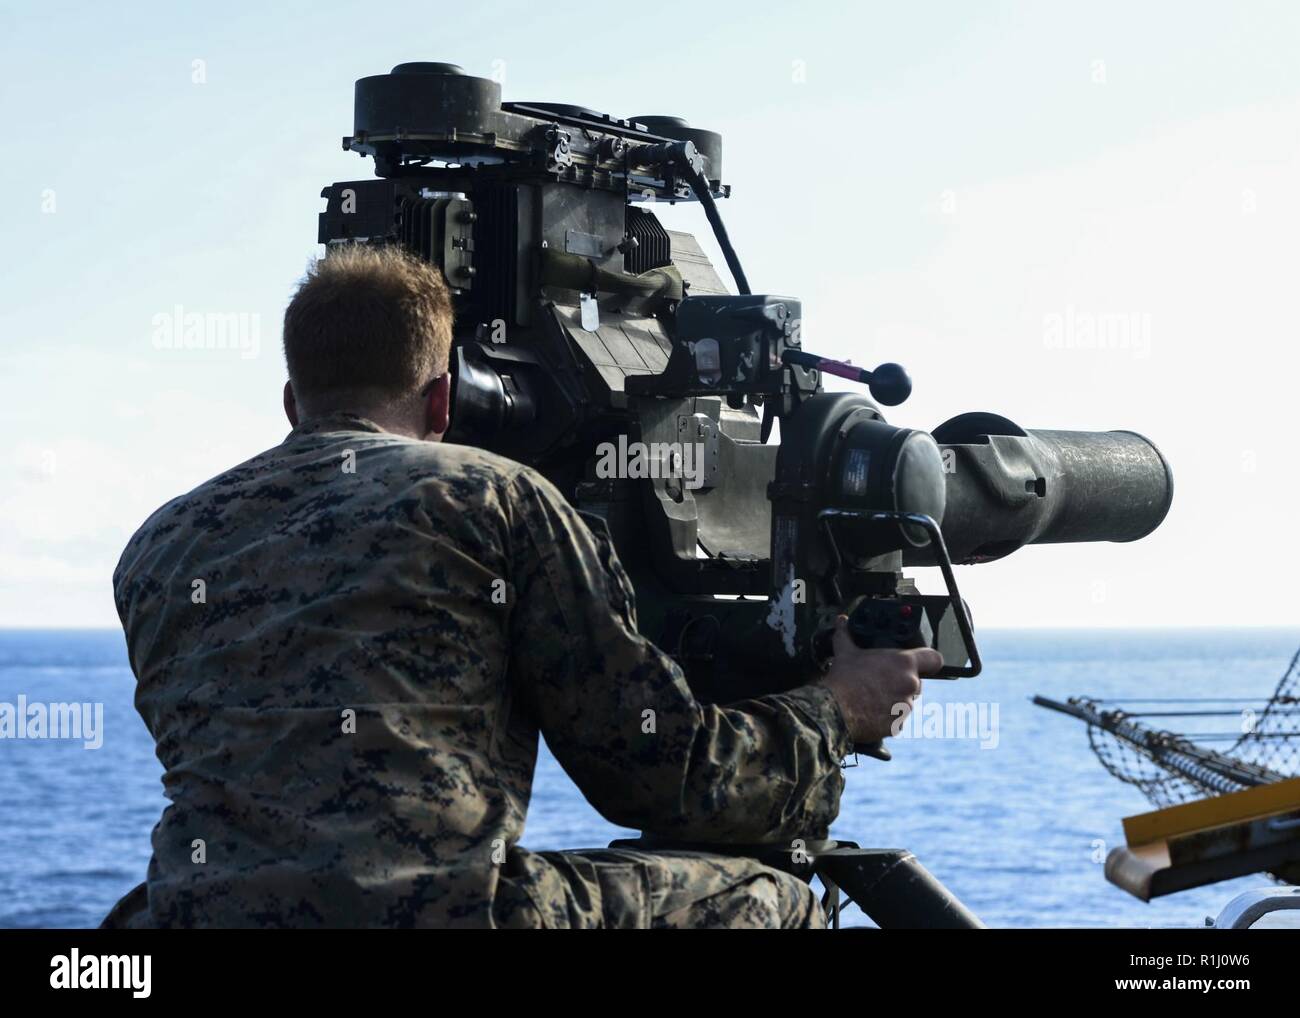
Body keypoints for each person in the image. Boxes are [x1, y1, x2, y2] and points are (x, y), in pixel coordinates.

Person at [104, 245, 940, 929]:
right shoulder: (493, 498)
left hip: (189, 914)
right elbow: (664, 778)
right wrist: (839, 706)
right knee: (775, 900)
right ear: (441, 400)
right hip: (445, 917)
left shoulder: (160, 545)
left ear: (293, 399)